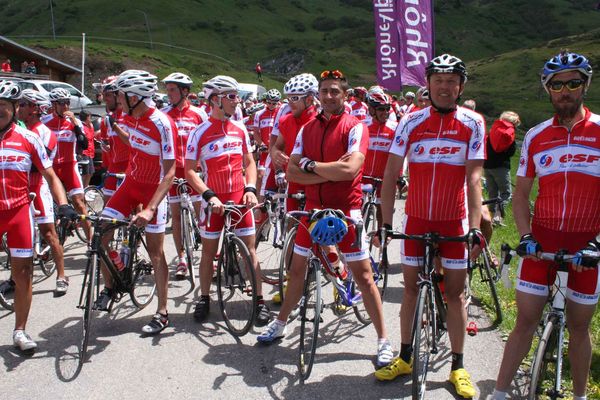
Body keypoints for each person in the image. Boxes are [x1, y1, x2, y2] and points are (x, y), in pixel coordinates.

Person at [257, 69, 394, 369]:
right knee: (296, 272)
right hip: (312, 211)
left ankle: (384, 339)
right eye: (325, 91)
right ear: (317, 95)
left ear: (345, 96)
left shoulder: (356, 127)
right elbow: (291, 172)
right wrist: (325, 172)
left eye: (335, 91)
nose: (329, 95)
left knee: (364, 277)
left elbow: (351, 170)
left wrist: (311, 167)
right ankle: (280, 323)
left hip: (346, 211)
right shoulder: (307, 130)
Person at [492, 51, 599, 400]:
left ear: (585, 85)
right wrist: (525, 236)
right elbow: (521, 195)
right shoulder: (537, 136)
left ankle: (581, 395)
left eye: (573, 82)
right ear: (547, 89)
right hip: (542, 242)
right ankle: (498, 392)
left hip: (589, 245)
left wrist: (598, 242)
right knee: (524, 321)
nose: (565, 90)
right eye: (557, 84)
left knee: (581, 326)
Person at [378, 54, 486, 399]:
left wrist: (473, 226)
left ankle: (457, 366)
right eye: (438, 80)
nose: (444, 86)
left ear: (460, 86)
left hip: (453, 220)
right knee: (410, 290)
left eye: (451, 81)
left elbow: (473, 178)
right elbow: (392, 173)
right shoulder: (410, 122)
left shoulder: (473, 122)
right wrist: (384, 223)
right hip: (417, 218)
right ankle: (406, 356)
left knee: (454, 295)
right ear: (428, 84)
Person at [184, 75, 271, 327]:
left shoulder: (240, 128)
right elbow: (190, 170)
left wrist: (251, 188)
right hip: (214, 201)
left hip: (238, 199)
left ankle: (259, 300)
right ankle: (204, 297)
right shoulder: (199, 132)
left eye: (237, 96)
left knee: (250, 252)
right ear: (215, 100)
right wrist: (208, 196)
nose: (237, 101)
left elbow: (250, 162)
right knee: (209, 253)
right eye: (231, 96)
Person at [95, 70, 177, 335]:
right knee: (101, 235)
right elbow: (135, 142)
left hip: (153, 191)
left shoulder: (163, 123)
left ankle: (162, 311)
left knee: (156, 252)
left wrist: (151, 208)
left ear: (134, 96)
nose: (117, 99)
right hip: (130, 185)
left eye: (120, 94)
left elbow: (170, 171)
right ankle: (111, 285)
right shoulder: (131, 117)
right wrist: (117, 130)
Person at [0, 80, 76, 351]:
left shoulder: (29, 138)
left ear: (15, 108)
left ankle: (20, 331)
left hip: (19, 211)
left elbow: (51, 175)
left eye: (4, 107)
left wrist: (64, 204)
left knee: (23, 273)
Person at [18, 89, 68, 295]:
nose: (18, 108)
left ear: (34, 108)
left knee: (49, 233)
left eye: (22, 104)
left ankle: (62, 275)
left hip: (38, 187)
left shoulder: (45, 132)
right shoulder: (18, 130)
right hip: (20, 188)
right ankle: (17, 277)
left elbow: (38, 165)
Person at [161, 72, 208, 279]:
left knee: (201, 216)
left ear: (185, 91)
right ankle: (181, 258)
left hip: (193, 171)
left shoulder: (199, 114)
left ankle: (211, 256)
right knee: (177, 218)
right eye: (168, 89)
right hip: (172, 173)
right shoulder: (163, 114)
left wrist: (206, 169)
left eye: (172, 90)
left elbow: (207, 142)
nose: (168, 94)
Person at [44, 88, 91, 240]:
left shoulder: (75, 122)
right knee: (46, 205)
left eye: (68, 103)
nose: (66, 107)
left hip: (69, 166)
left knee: (79, 203)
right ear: (54, 104)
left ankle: (92, 242)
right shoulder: (44, 122)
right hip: (50, 168)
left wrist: (75, 125)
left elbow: (84, 144)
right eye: (62, 103)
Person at [362, 86, 398, 230]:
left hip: (384, 178)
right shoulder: (363, 126)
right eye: (381, 109)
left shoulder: (395, 128)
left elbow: (398, 156)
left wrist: (399, 176)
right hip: (364, 177)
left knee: (382, 214)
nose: (385, 112)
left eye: (387, 108)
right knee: (358, 212)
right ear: (372, 110)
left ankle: (382, 245)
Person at [483, 111, 520, 225]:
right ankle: (498, 217)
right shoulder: (510, 133)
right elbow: (511, 152)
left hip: (487, 166)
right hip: (501, 167)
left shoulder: (493, 130)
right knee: (506, 193)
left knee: (492, 193)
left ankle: (489, 218)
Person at [78, 110, 96, 188]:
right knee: (85, 173)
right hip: (84, 152)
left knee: (90, 173)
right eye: (89, 117)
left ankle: (86, 188)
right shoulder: (82, 127)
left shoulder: (90, 126)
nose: (91, 118)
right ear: (86, 117)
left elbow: (92, 137)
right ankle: (82, 190)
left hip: (90, 152)